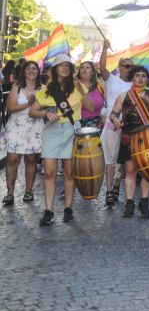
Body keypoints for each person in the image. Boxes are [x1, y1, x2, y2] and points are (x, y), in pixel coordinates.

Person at [29, 54, 90, 225]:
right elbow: (32, 111)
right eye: (61, 65)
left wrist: (82, 92)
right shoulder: (46, 91)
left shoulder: (78, 87)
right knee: (49, 173)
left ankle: (68, 208)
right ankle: (48, 211)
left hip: (71, 131)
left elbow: (92, 107)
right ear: (55, 69)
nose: (64, 68)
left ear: (71, 70)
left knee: (70, 172)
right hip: (52, 132)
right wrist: (45, 113)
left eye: (67, 66)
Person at [109, 66, 149, 219]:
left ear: (147, 79)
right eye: (137, 76)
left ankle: (145, 202)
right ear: (132, 78)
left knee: (148, 171)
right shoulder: (125, 95)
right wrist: (115, 121)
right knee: (130, 170)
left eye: (143, 76)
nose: (140, 78)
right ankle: (129, 203)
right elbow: (113, 114)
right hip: (130, 135)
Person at [1, 60, 44, 206]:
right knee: (12, 159)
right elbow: (10, 107)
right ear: (24, 72)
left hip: (35, 128)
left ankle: (28, 191)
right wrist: (28, 104)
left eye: (34, 69)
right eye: (28, 69)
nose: (31, 71)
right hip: (16, 127)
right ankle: (10, 193)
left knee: (31, 160)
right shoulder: (17, 86)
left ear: (38, 72)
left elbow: (47, 108)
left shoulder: (43, 89)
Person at [99, 40, 134, 208]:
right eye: (125, 65)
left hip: (128, 127)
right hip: (111, 125)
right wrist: (105, 48)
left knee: (124, 161)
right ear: (119, 67)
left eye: (131, 66)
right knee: (110, 159)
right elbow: (102, 68)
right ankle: (108, 191)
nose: (129, 68)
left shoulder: (136, 85)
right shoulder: (112, 80)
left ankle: (117, 187)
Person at [77, 61, 105, 128]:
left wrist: (104, 116)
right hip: (77, 124)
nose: (84, 69)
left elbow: (106, 104)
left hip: (97, 124)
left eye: (87, 67)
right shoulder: (74, 85)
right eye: (82, 67)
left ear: (92, 72)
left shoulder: (99, 85)